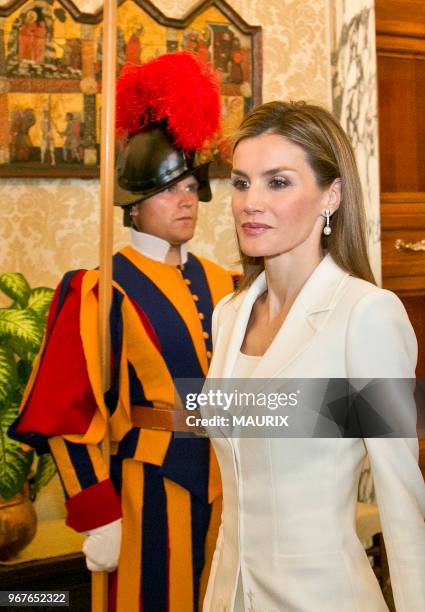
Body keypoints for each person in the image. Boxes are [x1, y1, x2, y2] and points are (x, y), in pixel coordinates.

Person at [10, 52, 237, 612]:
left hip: (231, 484)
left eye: (190, 186)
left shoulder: (223, 281)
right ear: (133, 206)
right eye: (167, 189)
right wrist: (98, 514)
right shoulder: (101, 287)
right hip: (148, 488)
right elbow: (69, 413)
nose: (184, 199)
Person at [202, 101, 425, 611]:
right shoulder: (229, 314)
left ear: (332, 194)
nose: (249, 202)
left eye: (277, 182)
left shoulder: (366, 315)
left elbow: (402, 504)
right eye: (240, 183)